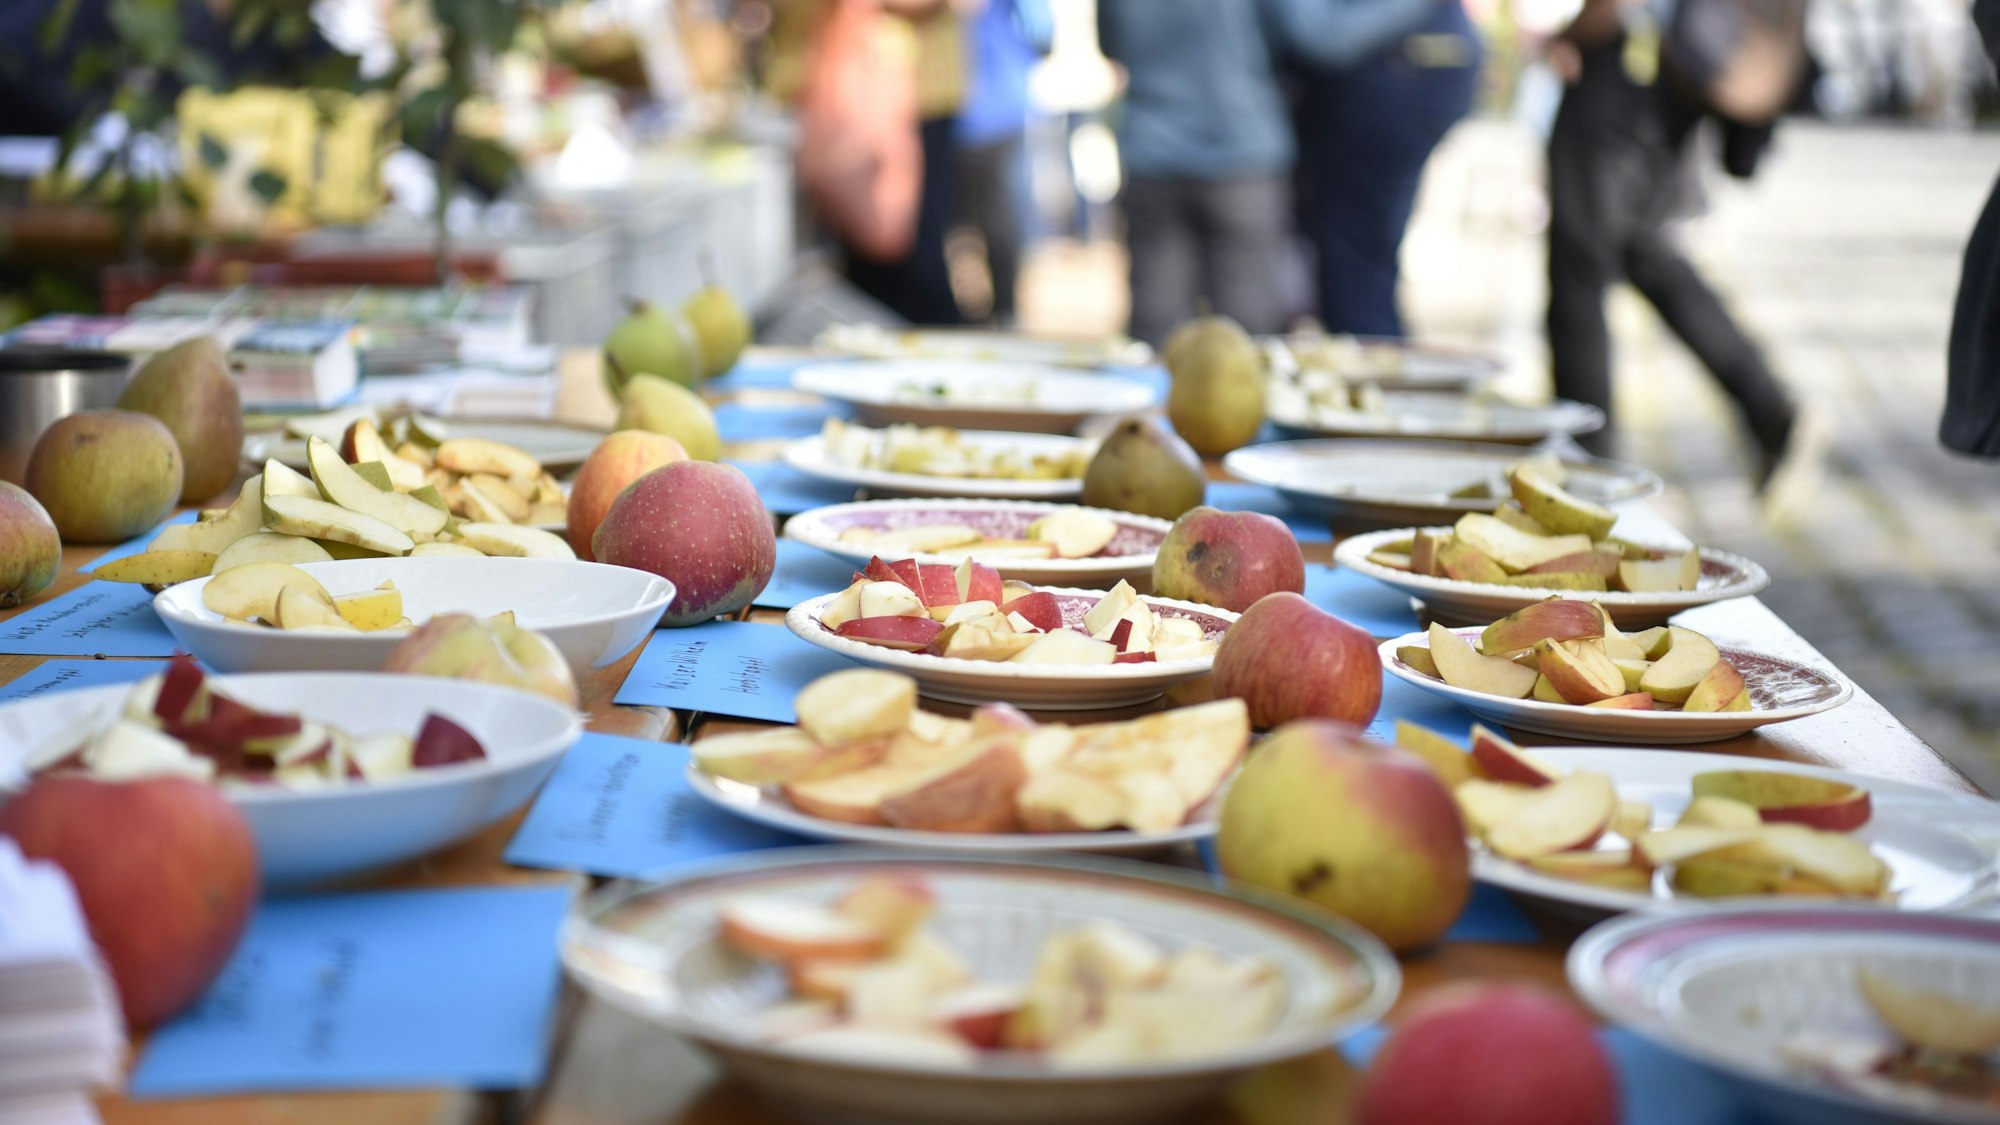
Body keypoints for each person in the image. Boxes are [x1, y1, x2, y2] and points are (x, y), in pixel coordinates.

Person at [1544, 0, 1803, 480]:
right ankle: (1766, 403)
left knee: (1580, 269)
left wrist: (1570, 37)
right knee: (1640, 247)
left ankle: (1585, 462)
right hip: (1671, 80)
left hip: (1628, 72)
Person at [1098, 0, 1428, 348]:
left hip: (1151, 152)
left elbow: (1111, 45)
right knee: (1246, 332)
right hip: (1240, 156)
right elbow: (1323, 38)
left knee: (1154, 328)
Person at [1287, 0, 1483, 337]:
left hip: (1394, 78)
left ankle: (1377, 377)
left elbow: (1320, 37)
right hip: (1418, 71)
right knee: (1367, 261)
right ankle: (1380, 362)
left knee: (1357, 270)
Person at [954, 0, 1051, 326]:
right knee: (997, 214)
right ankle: (1003, 309)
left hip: (967, 108)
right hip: (995, 106)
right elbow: (1042, 30)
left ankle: (996, 308)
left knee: (971, 218)